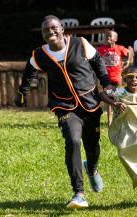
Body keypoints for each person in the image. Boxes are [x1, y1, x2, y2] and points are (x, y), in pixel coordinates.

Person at [14, 15, 112, 209]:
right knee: (73, 140)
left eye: (53, 28)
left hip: (90, 101)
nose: (50, 32)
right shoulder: (40, 54)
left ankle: (91, 168)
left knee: (93, 147)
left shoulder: (80, 44)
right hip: (64, 104)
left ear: (62, 29)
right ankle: (79, 193)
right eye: (45, 30)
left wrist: (107, 84)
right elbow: (28, 74)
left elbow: (97, 62)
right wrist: (22, 94)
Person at [97, 30, 132, 127]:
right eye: (106, 36)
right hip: (106, 79)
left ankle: (120, 118)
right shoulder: (101, 49)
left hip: (117, 79)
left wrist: (128, 62)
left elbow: (130, 51)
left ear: (115, 39)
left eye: (109, 36)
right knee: (109, 100)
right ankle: (109, 121)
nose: (107, 38)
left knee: (119, 98)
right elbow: (94, 57)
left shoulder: (120, 48)